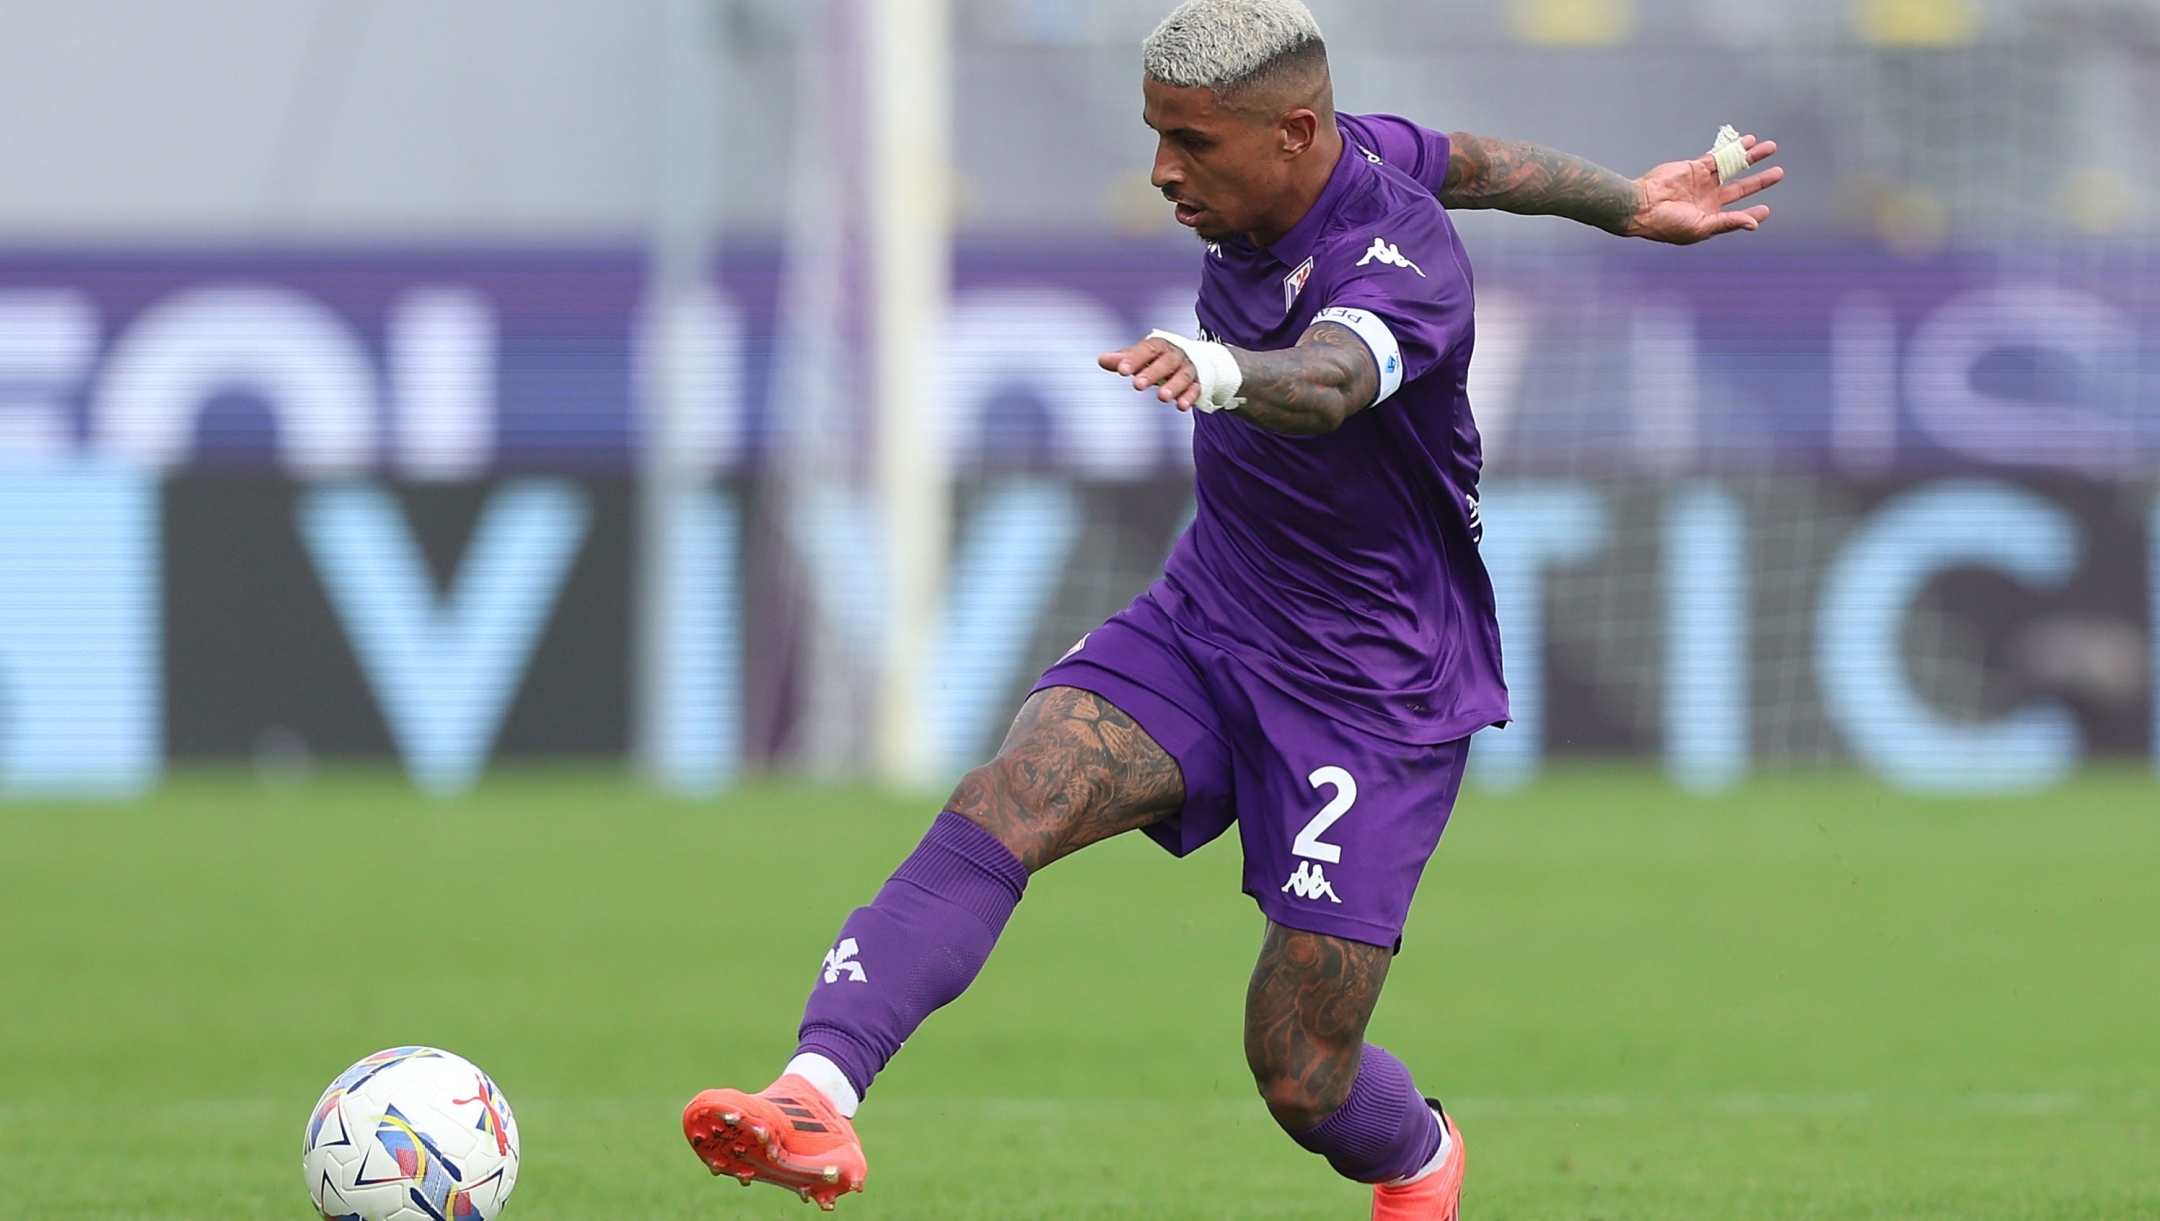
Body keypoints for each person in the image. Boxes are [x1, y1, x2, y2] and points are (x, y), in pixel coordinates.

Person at [683, 0, 1783, 1215]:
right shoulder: (1342, 143)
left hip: (1376, 690)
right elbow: (1476, 158)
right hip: (1211, 618)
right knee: (1009, 798)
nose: (1163, 172)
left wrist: (1220, 371)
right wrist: (1627, 201)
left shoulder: (1404, 263)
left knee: (1300, 1077)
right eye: (1156, 135)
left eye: (1192, 144)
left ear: (1292, 134)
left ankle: (1418, 1160)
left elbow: (1330, 383)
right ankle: (814, 1094)